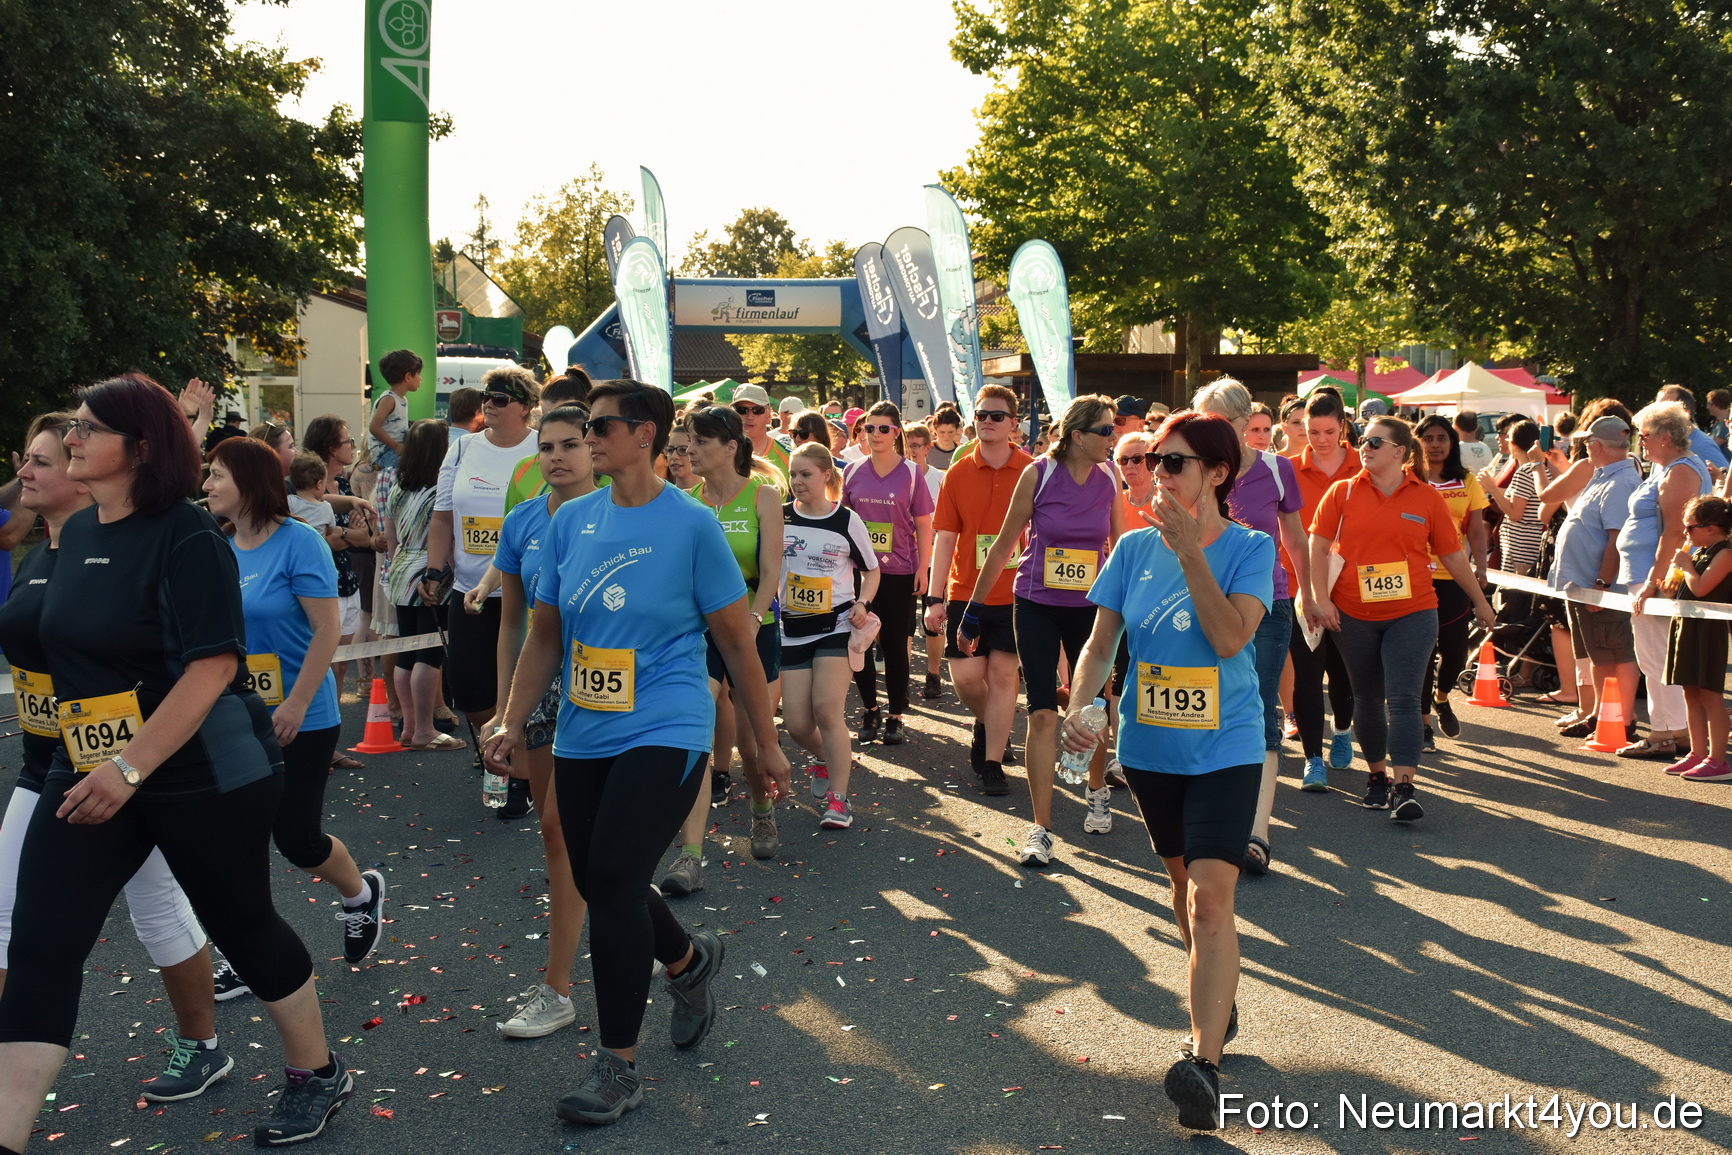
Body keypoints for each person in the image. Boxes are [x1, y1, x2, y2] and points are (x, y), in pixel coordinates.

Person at [0, 375, 351, 1149]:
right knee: (40, 939)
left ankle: (317, 1072)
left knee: (242, 924)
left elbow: (212, 668)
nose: (75, 436)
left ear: (143, 447)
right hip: (86, 763)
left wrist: (128, 769)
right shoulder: (81, 530)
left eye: (92, 427)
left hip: (204, 772)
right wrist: (94, 761)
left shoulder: (188, 536)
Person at [482, 379, 790, 1127]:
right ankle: (688, 960)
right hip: (588, 725)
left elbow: (736, 640)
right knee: (597, 874)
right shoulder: (572, 522)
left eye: (601, 426)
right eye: (584, 427)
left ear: (646, 433)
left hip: (669, 720)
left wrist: (764, 742)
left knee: (615, 878)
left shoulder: (691, 526)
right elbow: (546, 635)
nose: (589, 438)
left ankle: (617, 1065)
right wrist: (509, 718)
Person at [0, 412, 222, 1105]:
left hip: (129, 764)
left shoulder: (124, 548)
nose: (32, 471)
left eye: (44, 460)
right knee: (10, 911)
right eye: (32, 459)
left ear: (80, 482)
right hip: (49, 764)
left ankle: (203, 1041)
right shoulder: (35, 553)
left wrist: (134, 760)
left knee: (156, 905)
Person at [1059, 409, 1271, 1131]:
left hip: (1228, 744)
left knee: (1213, 897)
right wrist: (1082, 702)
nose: (1157, 473)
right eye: (1152, 460)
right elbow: (1099, 643)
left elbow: (1228, 634)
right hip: (1151, 749)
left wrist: (1191, 554)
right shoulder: (1130, 549)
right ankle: (1217, 990)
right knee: (1183, 889)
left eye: (1173, 461)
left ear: (1217, 472)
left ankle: (1202, 1065)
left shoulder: (1250, 548)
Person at [203, 437, 386, 965]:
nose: (208, 485)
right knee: (235, 839)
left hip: (301, 716)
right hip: (236, 716)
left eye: (217, 475)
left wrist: (296, 703)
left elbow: (327, 630)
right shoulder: (218, 544)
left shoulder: (300, 542)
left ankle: (360, 892)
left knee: (297, 840)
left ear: (250, 483)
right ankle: (245, 956)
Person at [469, 405, 597, 1036]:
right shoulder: (522, 521)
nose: (556, 456)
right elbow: (512, 624)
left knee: (570, 830)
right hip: (544, 690)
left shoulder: (623, 514)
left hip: (616, 692)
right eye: (546, 446)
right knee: (559, 835)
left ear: (594, 450)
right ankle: (640, 940)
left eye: (570, 444)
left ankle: (559, 983)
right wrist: (504, 715)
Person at [1308, 416, 1496, 821]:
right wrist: (1320, 599)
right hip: (1352, 613)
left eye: (1376, 441)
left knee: (1407, 698)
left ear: (1400, 452)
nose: (1365, 447)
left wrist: (1480, 601)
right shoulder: (1341, 492)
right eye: (1362, 441)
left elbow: (1451, 554)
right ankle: (1377, 777)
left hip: (1413, 611)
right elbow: (1318, 546)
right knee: (1368, 698)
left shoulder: (1426, 497)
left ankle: (1405, 785)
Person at [968, 396, 1124, 864]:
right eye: (1105, 431)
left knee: (1094, 709)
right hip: (1035, 602)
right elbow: (1001, 546)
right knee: (1040, 712)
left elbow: (1117, 548)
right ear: (1078, 436)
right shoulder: (1038, 473)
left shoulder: (1109, 478)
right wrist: (972, 608)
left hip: (1091, 608)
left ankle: (1096, 790)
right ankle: (1041, 827)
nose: (1112, 439)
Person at [1193, 380, 1308, 876]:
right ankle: (1210, 816)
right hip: (1201, 601)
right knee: (1207, 704)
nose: (1208, 431)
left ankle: (1257, 833)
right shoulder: (1192, 465)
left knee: (1260, 710)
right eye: (1201, 420)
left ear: (1245, 424)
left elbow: (1297, 539)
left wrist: (1313, 594)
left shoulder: (1278, 469)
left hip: (1268, 602)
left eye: (1218, 422)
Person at [423, 367, 540, 803]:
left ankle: (520, 776)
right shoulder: (462, 448)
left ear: (525, 407)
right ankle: (504, 744)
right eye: (487, 396)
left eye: (501, 398)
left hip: (526, 591)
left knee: (523, 685)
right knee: (469, 687)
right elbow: (441, 516)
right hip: (471, 588)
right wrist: (435, 571)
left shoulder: (540, 449)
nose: (489, 403)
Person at [687, 405, 786, 858]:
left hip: (753, 627)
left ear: (730, 447)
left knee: (750, 740)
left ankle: (762, 811)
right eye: (690, 441)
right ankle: (690, 847)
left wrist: (751, 617)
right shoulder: (687, 501)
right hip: (701, 631)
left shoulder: (763, 496)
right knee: (696, 718)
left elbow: (770, 572)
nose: (691, 450)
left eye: (701, 442)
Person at [927, 385, 1032, 795]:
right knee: (968, 680)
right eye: (981, 415)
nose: (986, 422)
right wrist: (935, 598)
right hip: (966, 592)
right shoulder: (957, 472)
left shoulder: (1032, 470)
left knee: (1005, 676)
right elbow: (945, 536)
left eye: (996, 416)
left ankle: (992, 763)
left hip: (1015, 594)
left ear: (1013, 424)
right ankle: (989, 724)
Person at [780, 441, 881, 829]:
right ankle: (828, 757)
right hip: (792, 629)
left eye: (805, 474)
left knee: (826, 709)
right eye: (792, 474)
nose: (797, 482)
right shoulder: (781, 516)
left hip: (836, 625)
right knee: (797, 725)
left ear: (826, 475)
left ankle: (839, 800)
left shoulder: (846, 520)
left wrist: (863, 603)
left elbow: (872, 570)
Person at [1619, 400, 1713, 760]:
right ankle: (1672, 729)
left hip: (1657, 578)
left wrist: (1651, 581)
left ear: (1663, 436)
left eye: (1643, 435)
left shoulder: (1680, 471)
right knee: (1653, 654)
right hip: (1647, 574)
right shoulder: (1668, 468)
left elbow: (1675, 532)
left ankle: (1668, 732)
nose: (1639, 442)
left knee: (1658, 655)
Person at [843, 401, 934, 747]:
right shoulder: (852, 472)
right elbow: (844, 524)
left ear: (897, 432)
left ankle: (896, 714)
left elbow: (925, 525)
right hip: (861, 573)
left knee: (895, 644)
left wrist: (923, 568)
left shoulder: (911, 473)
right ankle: (870, 708)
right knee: (860, 642)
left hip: (898, 571)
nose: (876, 434)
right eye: (870, 428)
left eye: (884, 428)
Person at [1546, 416, 1643, 740]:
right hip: (1587, 585)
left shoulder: (1620, 481)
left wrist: (1601, 583)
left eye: (1588, 442)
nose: (1585, 447)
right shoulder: (1607, 475)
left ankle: (1620, 720)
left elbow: (1617, 537)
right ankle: (1603, 715)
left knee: (1615, 652)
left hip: (1599, 586)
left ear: (1597, 446)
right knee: (1600, 655)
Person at [1288, 394, 1360, 784]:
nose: (1320, 439)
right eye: (1312, 431)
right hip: (1304, 583)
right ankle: (1313, 758)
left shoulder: (1362, 464)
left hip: (1352, 587)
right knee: (1307, 672)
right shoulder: (1289, 469)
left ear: (1343, 428)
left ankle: (1344, 730)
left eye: (1329, 431)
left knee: (1345, 671)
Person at [384, 420, 463, 751]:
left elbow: (390, 540)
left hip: (401, 572)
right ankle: (425, 730)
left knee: (406, 652)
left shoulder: (397, 488)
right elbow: (447, 538)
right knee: (429, 655)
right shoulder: (440, 493)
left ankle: (410, 727)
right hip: (432, 576)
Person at [1413, 416, 1490, 749]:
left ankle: (1441, 698)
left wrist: (1482, 569)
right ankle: (1423, 726)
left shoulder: (1466, 480)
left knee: (1456, 650)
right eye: (1427, 438)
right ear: (1417, 443)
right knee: (1423, 652)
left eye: (1441, 437)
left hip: (1455, 575)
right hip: (1415, 577)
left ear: (1452, 442)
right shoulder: (1408, 480)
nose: (1434, 444)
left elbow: (1475, 530)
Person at [301, 415, 375, 713]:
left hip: (346, 581)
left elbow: (365, 536)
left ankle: (331, 733)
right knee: (319, 668)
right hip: (319, 587)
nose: (354, 448)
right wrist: (347, 534)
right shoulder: (303, 489)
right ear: (332, 448)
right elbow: (319, 541)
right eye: (348, 441)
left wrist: (342, 534)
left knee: (340, 670)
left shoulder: (344, 485)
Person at [1655, 495, 1732, 779]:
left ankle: (1718, 759)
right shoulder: (1701, 551)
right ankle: (1697, 752)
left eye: (1691, 528)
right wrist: (1671, 588)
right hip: (1685, 625)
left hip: (1708, 631)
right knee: (1690, 692)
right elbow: (1688, 590)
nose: (1686, 533)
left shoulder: (1724, 552)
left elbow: (1701, 589)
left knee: (1710, 695)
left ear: (1711, 527)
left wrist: (1686, 566)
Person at [504, 372, 593, 513]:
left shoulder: (610, 472)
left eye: (564, 415)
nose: (553, 425)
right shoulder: (523, 469)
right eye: (547, 417)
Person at [903, 423, 948, 699]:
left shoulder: (941, 478)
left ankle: (933, 674)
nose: (911, 451)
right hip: (903, 559)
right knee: (904, 623)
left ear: (928, 448)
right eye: (907, 446)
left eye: (916, 445)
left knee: (932, 620)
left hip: (933, 560)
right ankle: (903, 678)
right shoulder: (898, 476)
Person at [1485, 419, 1548, 577]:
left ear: (1513, 444)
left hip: (1522, 547)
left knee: (1516, 596)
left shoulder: (1525, 471)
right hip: (1530, 542)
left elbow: (1515, 514)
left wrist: (1491, 488)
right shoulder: (1539, 468)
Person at [366, 348, 421, 478]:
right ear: (408, 377)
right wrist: (396, 446)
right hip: (386, 452)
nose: (420, 378)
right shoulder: (389, 399)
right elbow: (374, 427)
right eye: (418, 373)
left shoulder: (402, 399)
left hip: (394, 449)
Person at [1655, 384, 1730, 471]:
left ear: (1685, 413)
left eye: (1664, 408)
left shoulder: (1701, 445)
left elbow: (1725, 476)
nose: (1655, 413)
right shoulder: (1661, 444)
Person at [730, 383, 793, 482]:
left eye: (757, 410)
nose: (750, 416)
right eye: (742, 410)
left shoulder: (789, 457)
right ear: (733, 414)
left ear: (769, 415)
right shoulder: (720, 454)